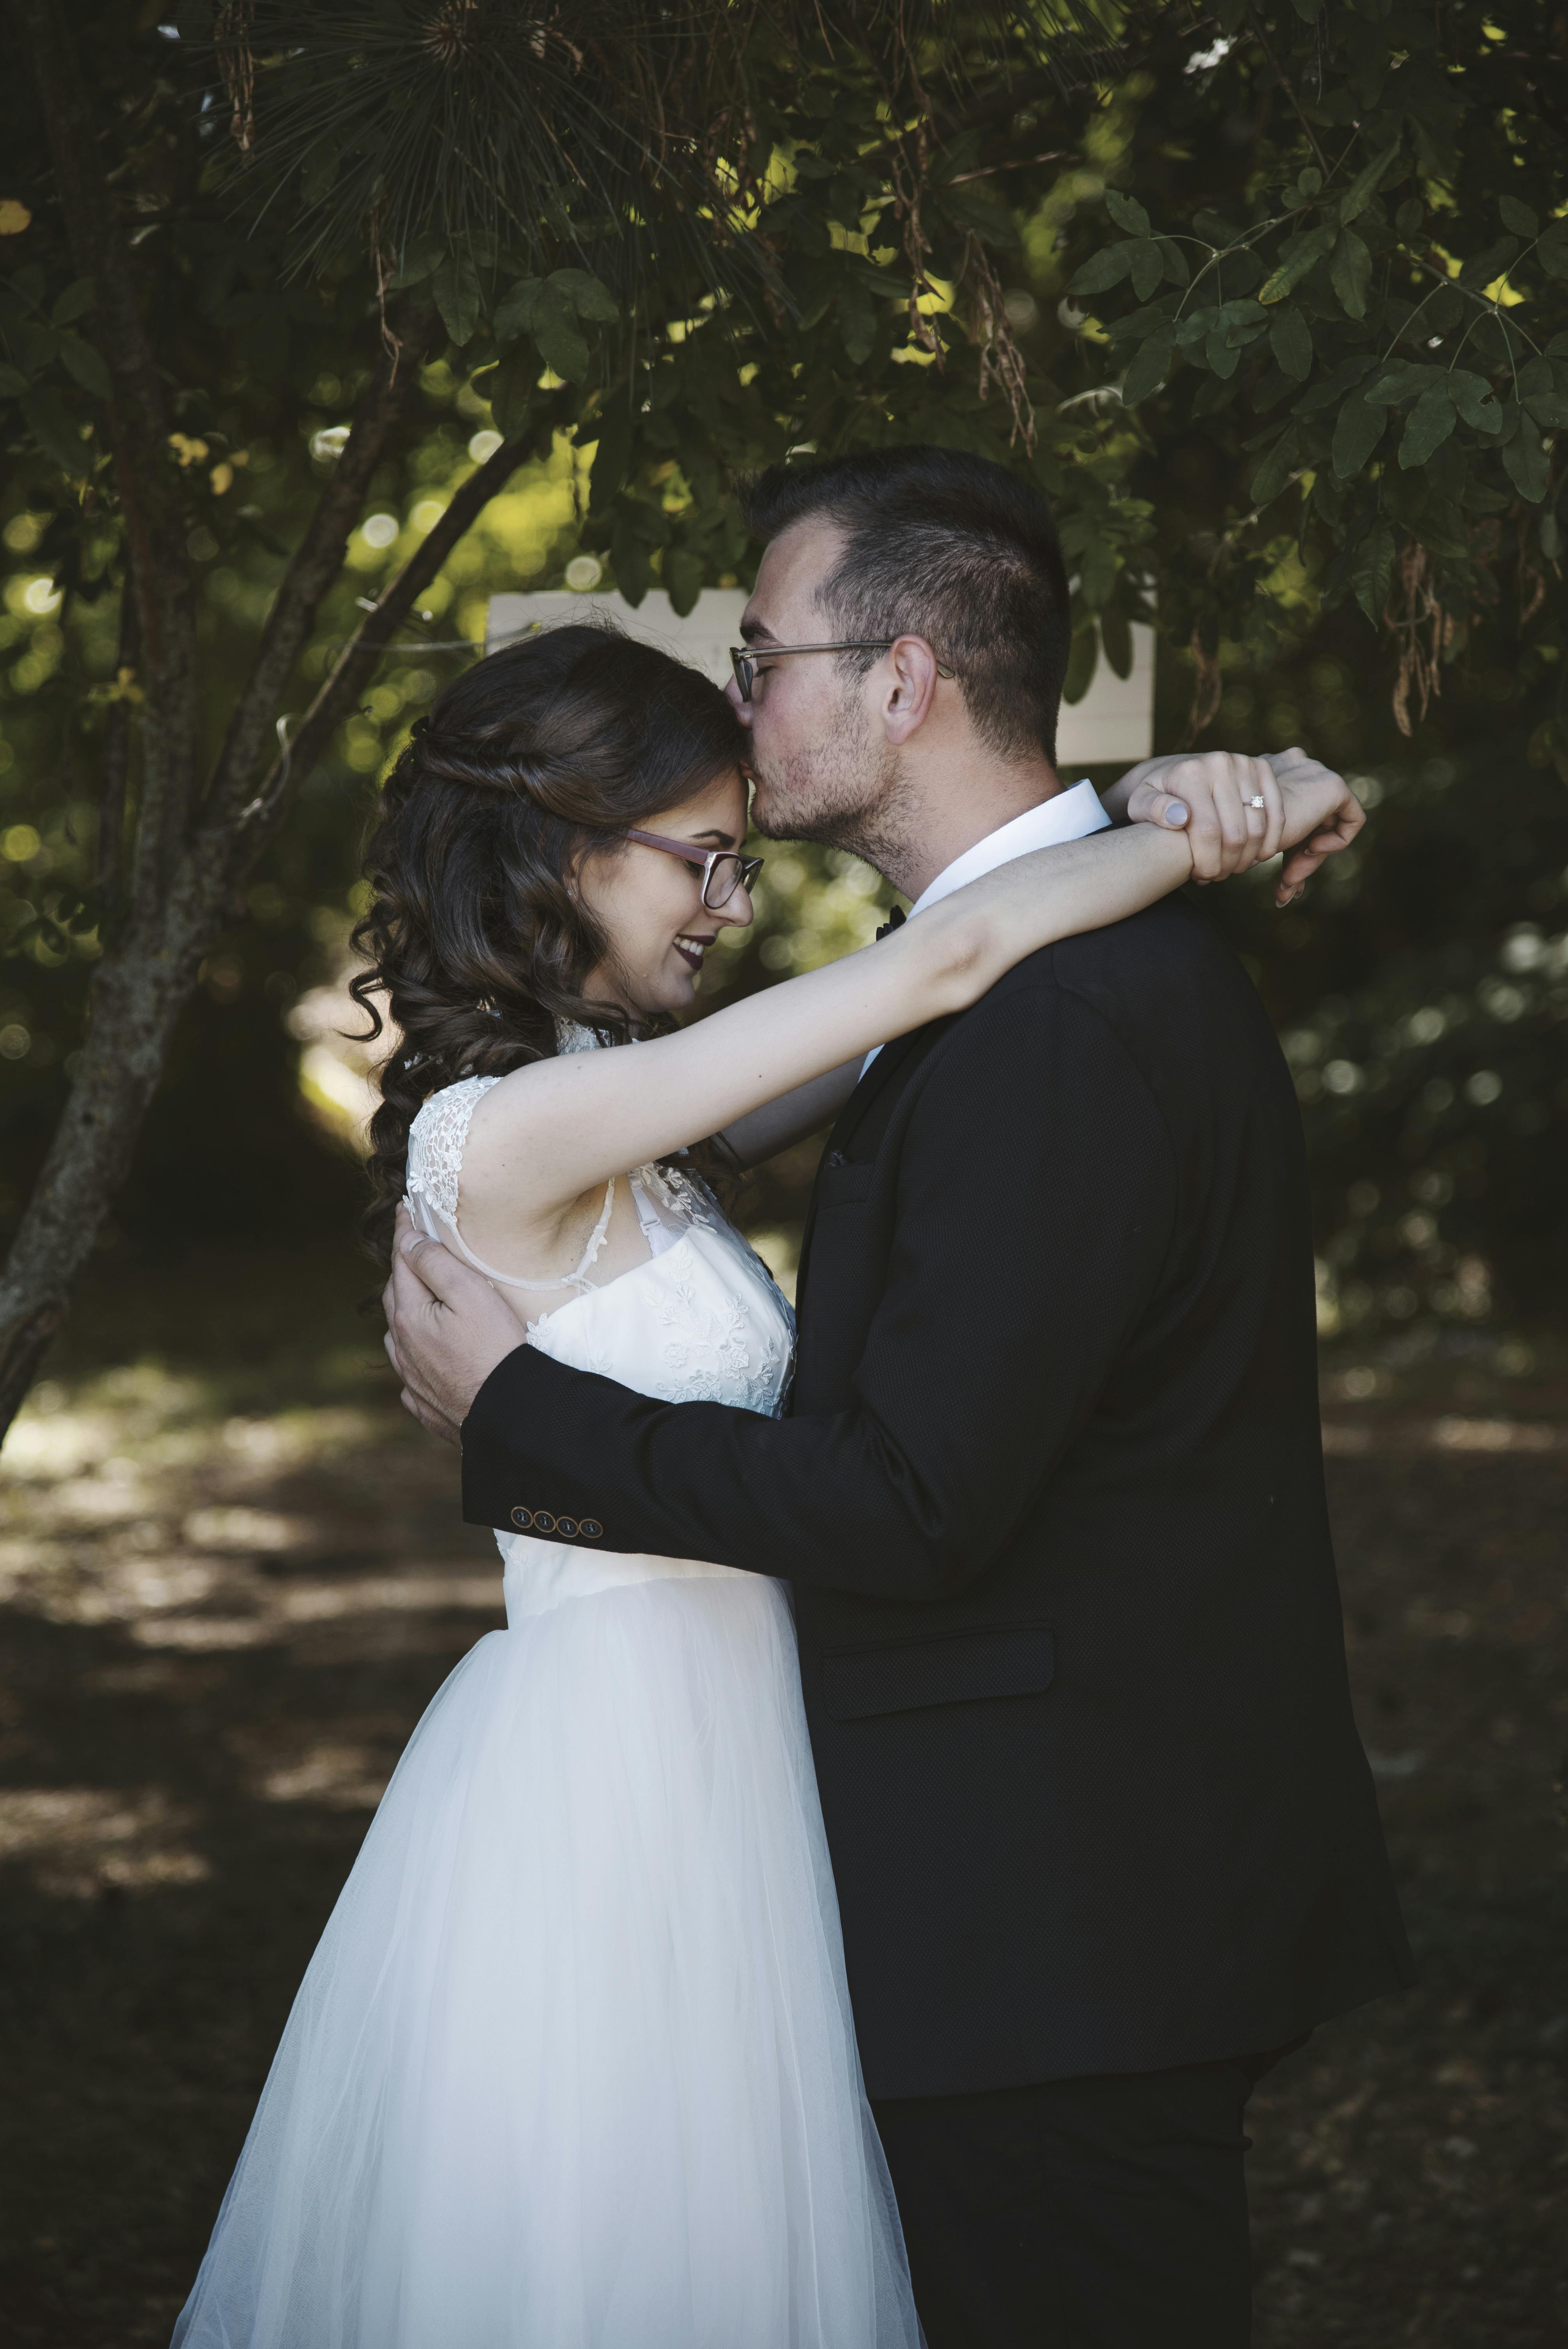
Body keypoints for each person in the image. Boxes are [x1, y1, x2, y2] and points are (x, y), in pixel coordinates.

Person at [386, 448, 1415, 2349]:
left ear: (901, 682)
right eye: (684, 856)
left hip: (1061, 1923)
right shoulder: (973, 1007)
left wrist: (518, 1420)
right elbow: (915, 985)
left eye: (766, 654)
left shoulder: (1060, 1019)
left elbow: (911, 1501)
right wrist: (1198, 800)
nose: (743, 700)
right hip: (846, 1867)